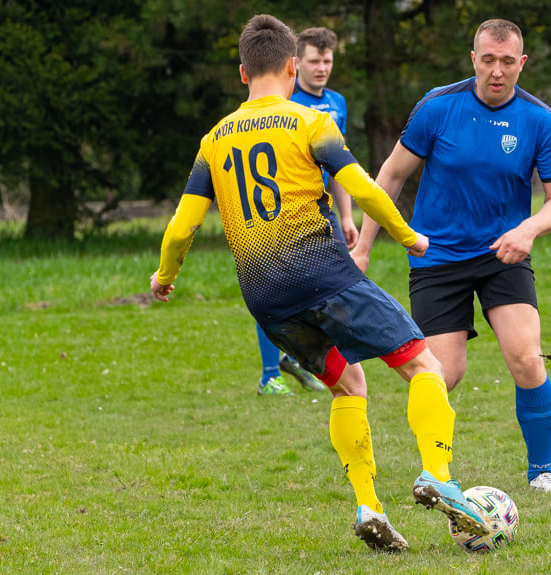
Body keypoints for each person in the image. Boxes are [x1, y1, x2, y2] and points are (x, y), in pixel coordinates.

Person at [149, 14, 491, 551]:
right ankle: (438, 475)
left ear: (243, 73)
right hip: (324, 276)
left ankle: (368, 506)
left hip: (265, 297)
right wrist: (408, 236)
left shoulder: (213, 140)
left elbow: (181, 227)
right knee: (423, 363)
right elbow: (366, 187)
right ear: (291, 66)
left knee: (347, 383)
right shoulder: (309, 122)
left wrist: (164, 276)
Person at [351, 18, 551, 493]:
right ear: (474, 59)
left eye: (507, 62)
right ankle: (434, 474)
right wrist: (363, 248)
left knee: (526, 358)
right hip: (437, 257)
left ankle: (543, 471)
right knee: (441, 373)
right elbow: (388, 177)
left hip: (503, 255)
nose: (497, 71)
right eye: (488, 60)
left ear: (522, 63)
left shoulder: (539, 121)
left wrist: (528, 229)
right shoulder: (438, 108)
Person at [254, 26, 356, 396]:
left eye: (327, 60)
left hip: (322, 214)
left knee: (326, 288)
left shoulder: (338, 103)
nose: (322, 68)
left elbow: (339, 169)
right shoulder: (283, 102)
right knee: (273, 290)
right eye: (314, 60)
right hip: (282, 215)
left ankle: (308, 361)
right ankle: (271, 374)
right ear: (296, 64)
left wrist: (347, 216)